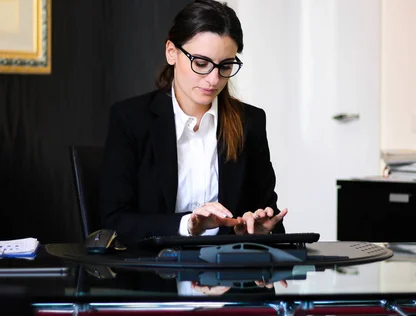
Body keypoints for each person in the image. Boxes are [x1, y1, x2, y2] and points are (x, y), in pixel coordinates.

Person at [99, 0, 288, 245]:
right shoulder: (131, 119)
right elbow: (114, 221)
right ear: (171, 52)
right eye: (201, 63)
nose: (213, 79)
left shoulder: (249, 122)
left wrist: (261, 228)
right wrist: (187, 225)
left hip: (229, 273)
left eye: (226, 66)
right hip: (155, 275)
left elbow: (268, 214)